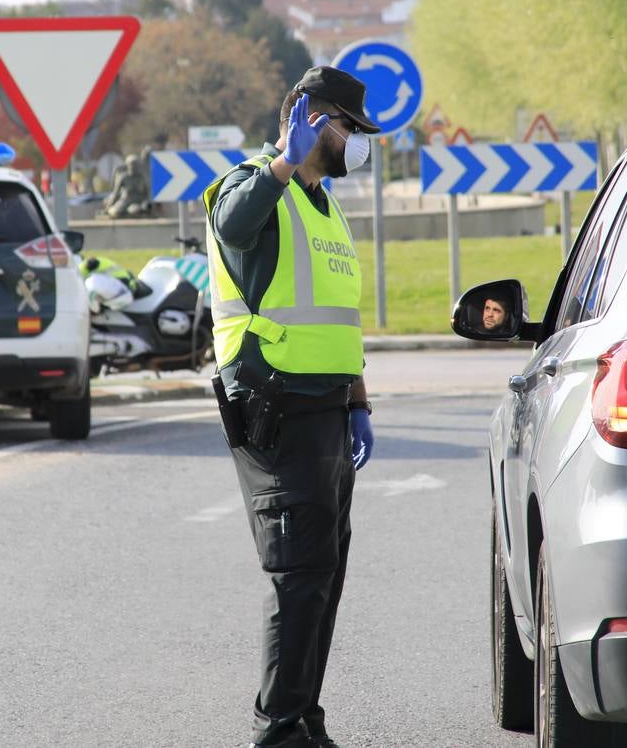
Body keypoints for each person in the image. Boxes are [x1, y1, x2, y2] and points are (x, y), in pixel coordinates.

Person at [202, 65, 380, 748]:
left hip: (329, 412)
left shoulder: (323, 206)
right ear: (309, 116)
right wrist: (282, 161)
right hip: (275, 406)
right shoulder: (255, 184)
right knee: (298, 572)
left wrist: (359, 400)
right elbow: (235, 223)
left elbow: (338, 318)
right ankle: (277, 730)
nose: (354, 142)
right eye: (347, 126)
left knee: (322, 574)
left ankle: (304, 717)